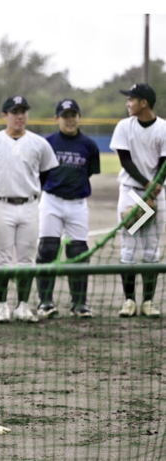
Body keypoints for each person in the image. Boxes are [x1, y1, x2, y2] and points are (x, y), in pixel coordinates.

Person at [0, 95, 58, 323]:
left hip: (29, 205)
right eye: (14, 112)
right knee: (1, 258)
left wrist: (32, 191)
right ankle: (1, 306)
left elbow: (45, 172)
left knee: (26, 260)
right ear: (5, 115)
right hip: (1, 204)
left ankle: (22, 305)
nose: (20, 116)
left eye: (23, 111)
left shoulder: (39, 143)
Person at [35, 99, 100, 319]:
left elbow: (89, 171)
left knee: (79, 252)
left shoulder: (88, 145)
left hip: (78, 203)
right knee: (47, 250)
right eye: (65, 116)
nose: (70, 120)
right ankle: (45, 301)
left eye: (73, 115)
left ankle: (79, 303)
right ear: (57, 119)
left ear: (79, 117)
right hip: (51, 200)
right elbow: (40, 172)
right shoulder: (48, 143)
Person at [111, 84, 166, 318]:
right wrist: (147, 187)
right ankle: (129, 301)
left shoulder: (163, 128)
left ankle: (148, 302)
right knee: (129, 249)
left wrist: (155, 188)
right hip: (131, 191)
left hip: (157, 194)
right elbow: (125, 161)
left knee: (152, 251)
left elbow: (165, 162)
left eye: (131, 99)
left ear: (144, 103)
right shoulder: (124, 126)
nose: (128, 103)